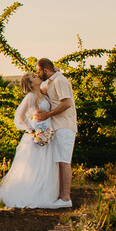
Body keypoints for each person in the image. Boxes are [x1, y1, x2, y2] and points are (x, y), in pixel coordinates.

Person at [0, 73, 63, 208]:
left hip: (46, 133)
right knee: (35, 167)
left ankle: (44, 193)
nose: (36, 76)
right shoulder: (30, 96)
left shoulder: (43, 94)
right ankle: (31, 194)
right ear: (30, 84)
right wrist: (32, 131)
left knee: (45, 166)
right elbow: (20, 115)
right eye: (33, 77)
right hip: (36, 135)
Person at [33, 58, 77, 208]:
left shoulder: (60, 81)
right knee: (59, 161)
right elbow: (44, 87)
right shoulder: (54, 80)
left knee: (64, 161)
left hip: (65, 125)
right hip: (58, 126)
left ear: (45, 70)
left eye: (39, 71)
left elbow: (67, 103)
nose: (37, 74)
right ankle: (61, 197)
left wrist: (48, 114)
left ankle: (65, 199)